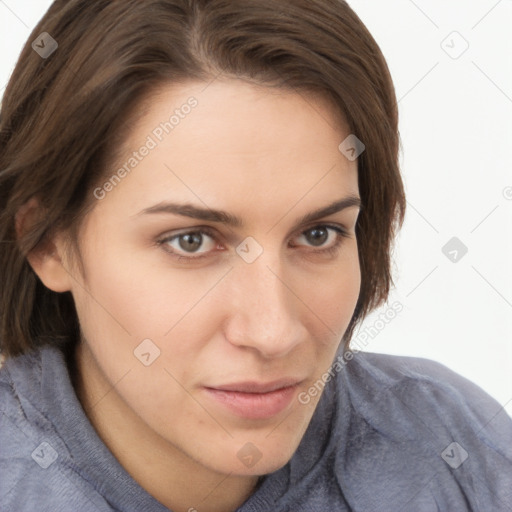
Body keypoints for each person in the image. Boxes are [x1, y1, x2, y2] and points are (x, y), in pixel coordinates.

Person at [0, 1, 510, 511]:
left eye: (318, 235)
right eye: (191, 241)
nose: (274, 332)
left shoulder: (459, 450)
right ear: (48, 243)